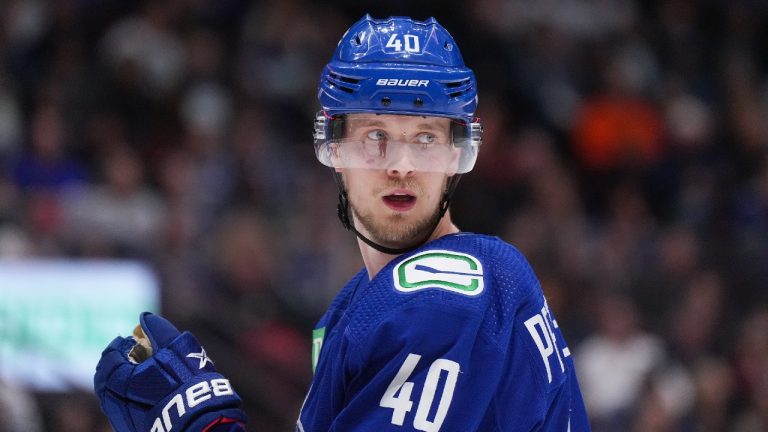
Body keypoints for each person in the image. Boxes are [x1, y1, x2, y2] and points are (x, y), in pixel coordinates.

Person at [94, 15, 591, 432]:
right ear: (332, 147)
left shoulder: (440, 300)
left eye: (424, 138)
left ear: (458, 154)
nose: (401, 164)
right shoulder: (357, 307)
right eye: (376, 135)